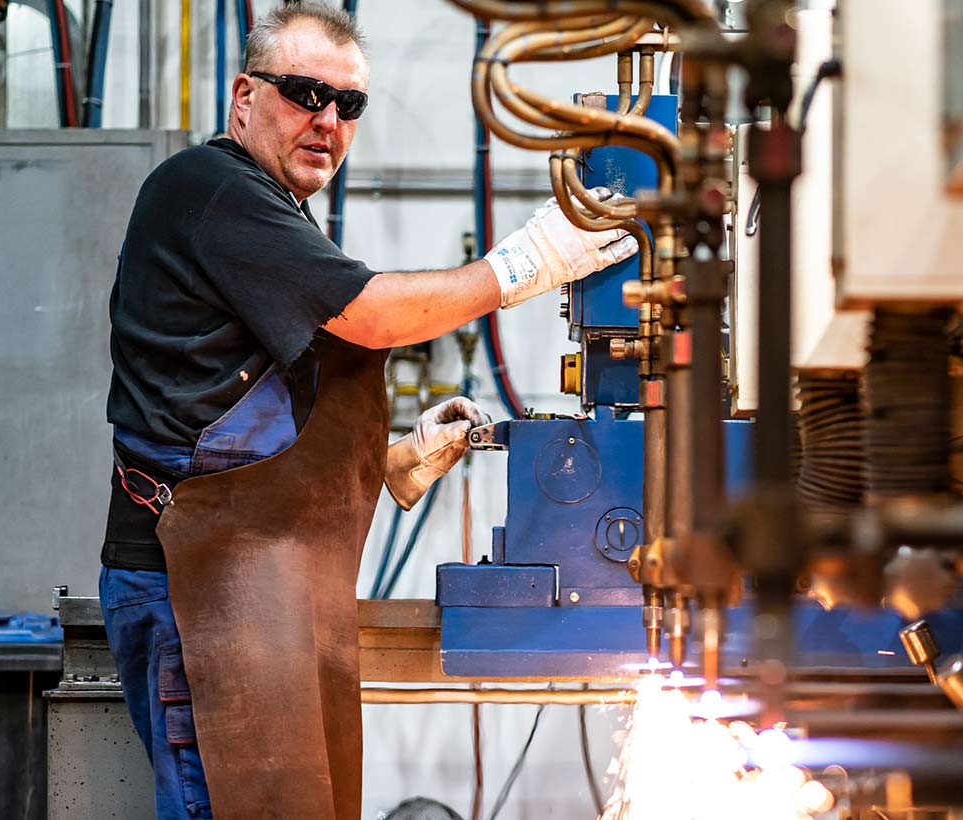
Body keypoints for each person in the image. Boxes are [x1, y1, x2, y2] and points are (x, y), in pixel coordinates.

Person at [99, 4, 638, 819]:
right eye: (304, 92)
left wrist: (386, 463)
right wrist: (526, 264)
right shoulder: (210, 190)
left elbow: (249, 417)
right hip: (200, 589)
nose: (327, 120)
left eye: (348, 104)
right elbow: (374, 313)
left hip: (261, 583)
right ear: (243, 96)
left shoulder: (276, 215)